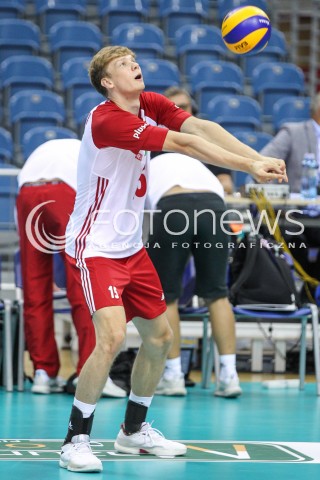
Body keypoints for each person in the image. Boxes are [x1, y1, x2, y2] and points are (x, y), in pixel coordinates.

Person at [59, 45, 287, 473]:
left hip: (130, 247)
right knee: (109, 338)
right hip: (96, 247)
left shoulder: (148, 102)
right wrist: (249, 167)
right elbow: (183, 142)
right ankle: (75, 439)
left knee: (160, 339)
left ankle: (132, 431)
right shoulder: (108, 119)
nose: (134, 66)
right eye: (123, 65)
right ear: (108, 82)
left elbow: (199, 124)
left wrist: (256, 158)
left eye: (134, 60)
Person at [16, 138, 126, 398]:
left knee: (35, 286)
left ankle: (43, 372)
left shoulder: (64, 147)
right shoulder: (99, 152)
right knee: (82, 284)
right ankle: (88, 372)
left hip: (27, 193)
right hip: (65, 190)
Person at [146, 152, 241, 398]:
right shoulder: (197, 161)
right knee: (217, 294)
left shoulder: (145, 160)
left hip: (173, 206)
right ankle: (230, 377)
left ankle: (173, 375)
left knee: (166, 297)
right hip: (215, 207)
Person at [260, 93, 320, 284]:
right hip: (295, 213)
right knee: (291, 233)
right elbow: (262, 164)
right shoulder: (293, 132)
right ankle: (304, 290)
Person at [163, 86, 234, 194]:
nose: (179, 113)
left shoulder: (208, 138)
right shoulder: (158, 139)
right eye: (173, 109)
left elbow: (226, 183)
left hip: (205, 200)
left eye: (183, 107)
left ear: (192, 108)